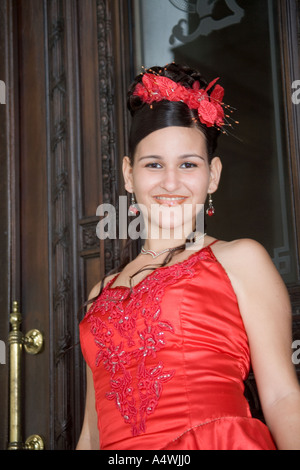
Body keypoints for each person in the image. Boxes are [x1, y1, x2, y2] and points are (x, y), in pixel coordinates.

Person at [77, 63, 300, 450]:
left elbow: (282, 396)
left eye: (188, 164)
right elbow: (91, 434)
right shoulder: (101, 294)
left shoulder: (239, 259)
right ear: (129, 175)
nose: (170, 182)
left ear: (212, 174)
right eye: (153, 165)